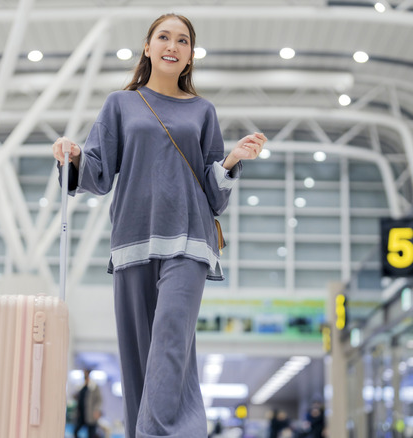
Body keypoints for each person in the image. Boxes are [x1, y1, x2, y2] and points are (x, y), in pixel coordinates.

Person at [52, 13, 266, 438]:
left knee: (170, 341)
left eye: (182, 40)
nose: (173, 45)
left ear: (190, 55)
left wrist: (232, 160)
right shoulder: (120, 104)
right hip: (132, 240)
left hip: (190, 240)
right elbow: (96, 174)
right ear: (147, 48)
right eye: (164, 37)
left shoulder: (203, 111)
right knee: (137, 355)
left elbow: (214, 192)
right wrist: (74, 155)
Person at [74, 368, 103, 438]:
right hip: (82, 413)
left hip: (91, 414)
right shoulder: (81, 386)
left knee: (91, 434)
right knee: (76, 431)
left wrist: (96, 410)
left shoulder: (94, 386)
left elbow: (99, 400)